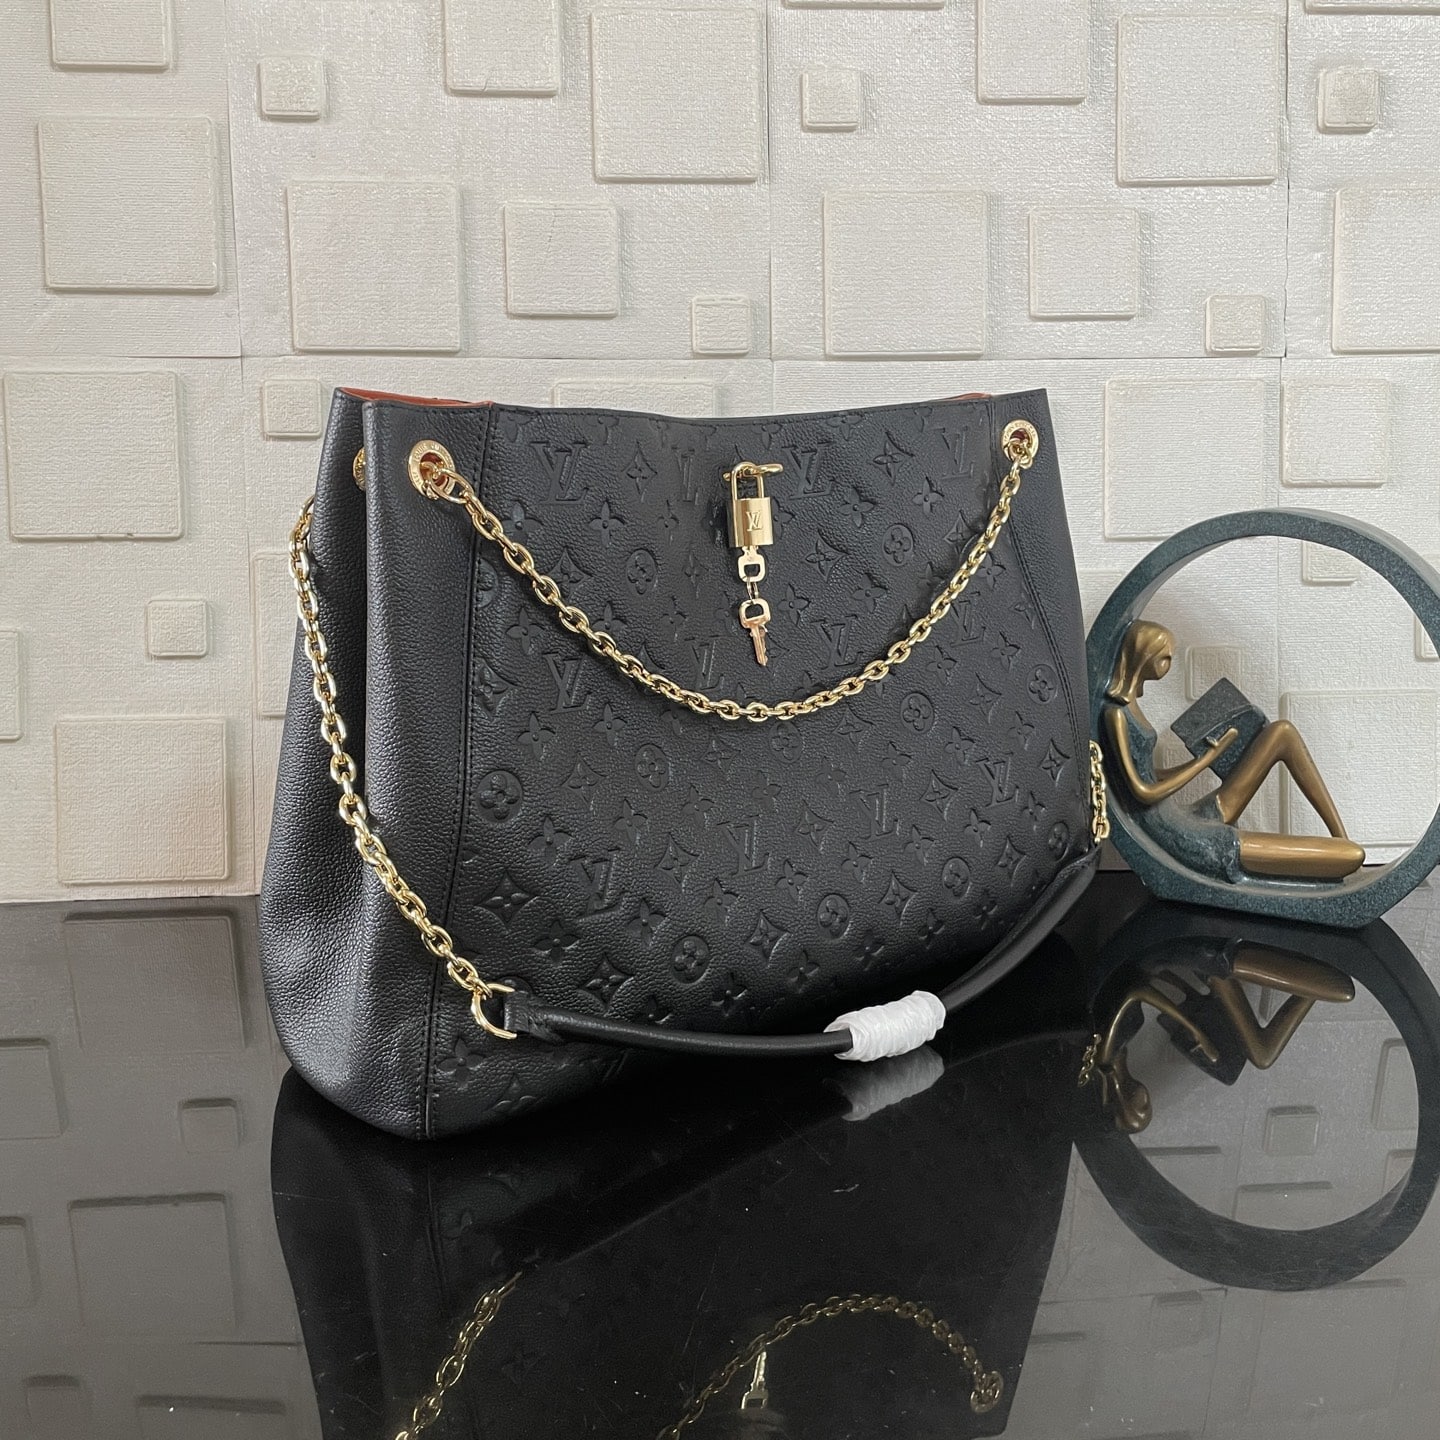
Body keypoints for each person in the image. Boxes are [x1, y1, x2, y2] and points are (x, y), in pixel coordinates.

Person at [1102, 620, 1365, 881]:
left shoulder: (1130, 707)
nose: (1169, 663)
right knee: (1352, 855)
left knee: (1281, 732)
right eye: (1164, 658)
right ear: (1141, 658)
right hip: (1185, 839)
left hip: (1192, 817)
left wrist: (1209, 755)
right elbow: (1143, 792)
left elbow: (1150, 774)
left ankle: (1340, 834)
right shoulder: (1116, 715)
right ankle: (1344, 849)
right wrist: (1203, 762)